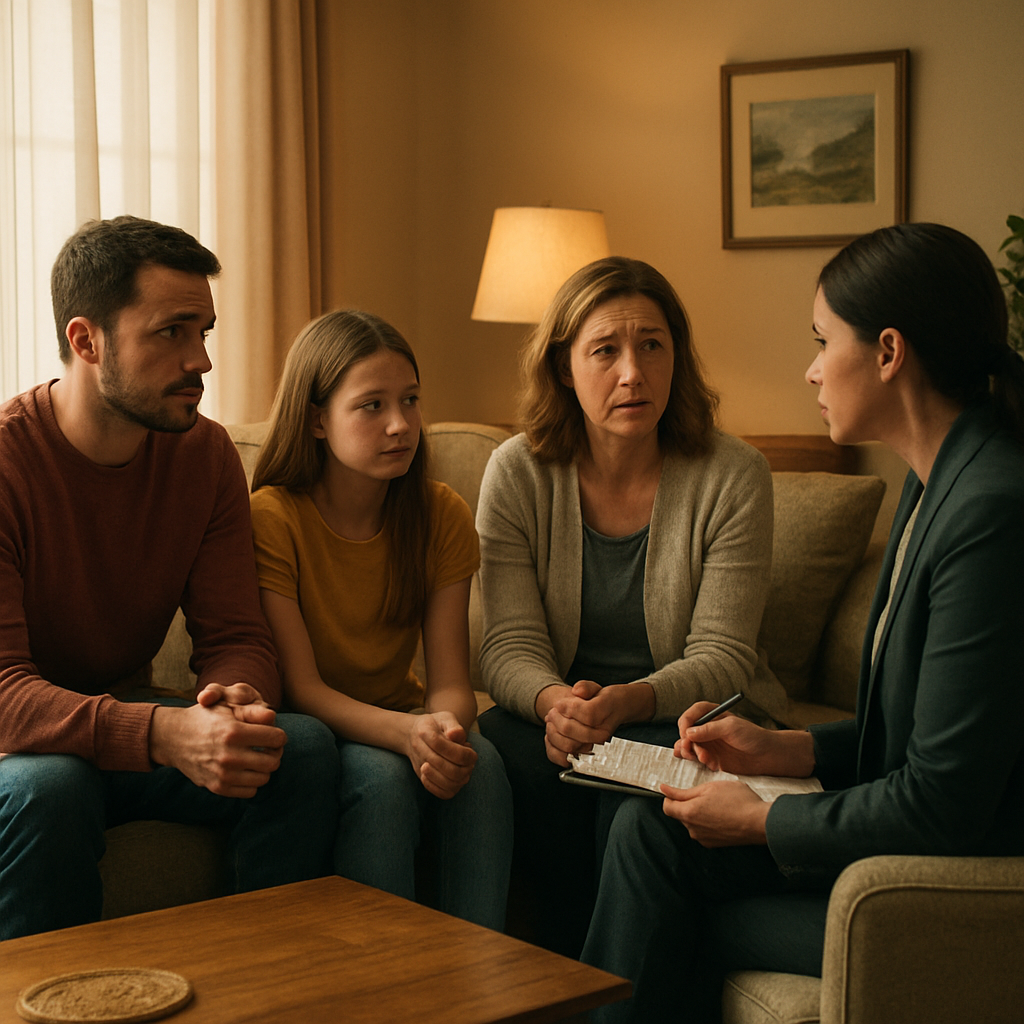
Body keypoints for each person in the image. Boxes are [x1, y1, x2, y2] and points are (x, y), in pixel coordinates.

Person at [580, 222, 1024, 1021]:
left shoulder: (990, 511)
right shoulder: (935, 481)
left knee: (671, 907)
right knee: (648, 833)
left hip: (948, 883)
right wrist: (781, 747)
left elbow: (941, 802)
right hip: (909, 839)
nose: (812, 369)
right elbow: (913, 734)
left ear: (888, 352)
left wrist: (766, 817)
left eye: (824, 341)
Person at [0, 215, 340, 941]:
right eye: (173, 332)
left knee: (299, 747)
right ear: (86, 341)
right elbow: (4, 695)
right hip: (21, 753)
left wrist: (237, 699)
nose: (202, 361)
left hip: (117, 729)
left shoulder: (207, 456)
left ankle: (270, 993)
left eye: (205, 332)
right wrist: (162, 732)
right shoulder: (7, 467)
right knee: (49, 786)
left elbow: (237, 635)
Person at [475, 256, 789, 954]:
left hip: (678, 714)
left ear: (676, 357)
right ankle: (548, 976)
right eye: (605, 350)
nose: (632, 372)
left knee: (625, 789)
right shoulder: (517, 471)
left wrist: (622, 703)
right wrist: (559, 703)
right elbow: (506, 646)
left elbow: (724, 656)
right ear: (563, 367)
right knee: (502, 749)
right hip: (565, 715)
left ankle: (605, 981)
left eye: (652, 345)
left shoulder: (733, 474)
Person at [249, 309, 512, 931]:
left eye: (411, 400)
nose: (401, 425)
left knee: (485, 763)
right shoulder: (273, 518)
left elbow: (451, 676)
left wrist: (444, 728)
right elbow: (302, 689)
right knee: (383, 782)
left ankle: (485, 984)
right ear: (317, 419)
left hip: (405, 715)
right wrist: (403, 735)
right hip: (318, 725)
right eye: (371, 405)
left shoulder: (439, 513)